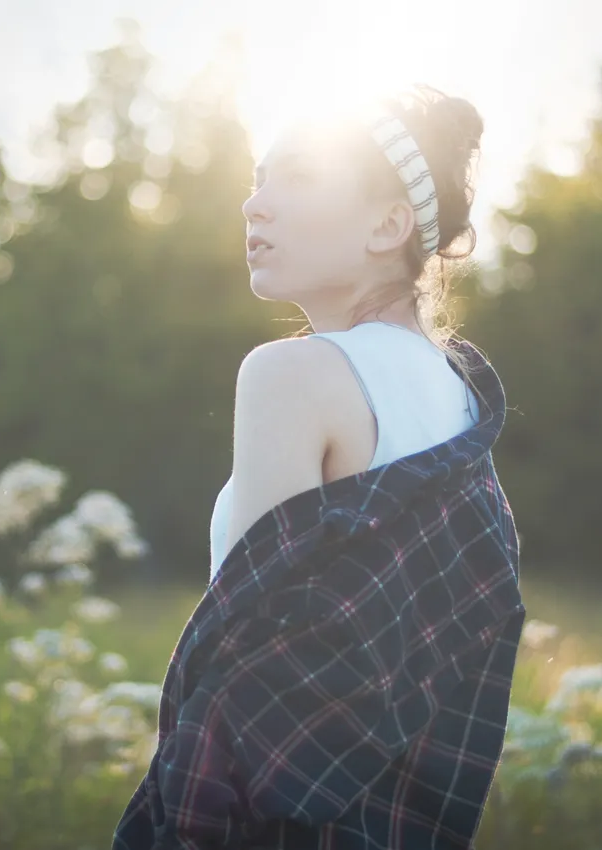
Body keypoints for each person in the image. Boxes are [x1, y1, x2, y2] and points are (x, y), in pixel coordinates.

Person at [113, 85, 526, 850]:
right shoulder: (465, 400)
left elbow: (245, 670)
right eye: (256, 181)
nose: (254, 206)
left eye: (295, 177)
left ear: (388, 224)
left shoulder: (289, 375)